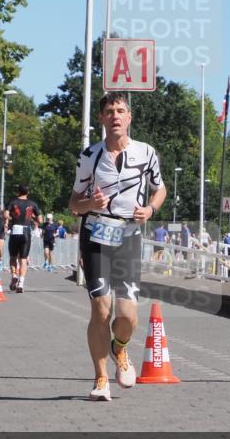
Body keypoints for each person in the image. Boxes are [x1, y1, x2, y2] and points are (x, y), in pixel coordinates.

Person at [68, 93, 166, 401]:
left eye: (120, 111)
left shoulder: (146, 153)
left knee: (126, 316)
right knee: (101, 308)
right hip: (96, 233)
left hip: (129, 235)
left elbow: (159, 188)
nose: (115, 116)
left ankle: (119, 348)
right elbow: (73, 204)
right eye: (109, 111)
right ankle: (100, 378)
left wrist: (150, 210)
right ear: (101, 118)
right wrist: (89, 202)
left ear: (129, 117)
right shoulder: (90, 156)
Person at [6, 184, 42, 293]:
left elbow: (6, 215)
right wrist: (32, 218)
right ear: (28, 192)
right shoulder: (32, 204)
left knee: (13, 257)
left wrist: (13, 218)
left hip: (15, 229)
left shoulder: (13, 202)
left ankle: (14, 275)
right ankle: (21, 283)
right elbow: (40, 220)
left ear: (18, 192)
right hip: (26, 230)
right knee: (23, 259)